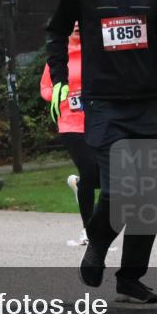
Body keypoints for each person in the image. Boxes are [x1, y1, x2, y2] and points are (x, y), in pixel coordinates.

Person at [46, 0, 157, 304]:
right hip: (105, 103)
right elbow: (56, 31)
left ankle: (130, 277)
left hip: (149, 101)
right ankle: (98, 243)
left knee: (153, 200)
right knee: (121, 190)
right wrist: (59, 79)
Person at [41, 22, 99, 246]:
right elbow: (45, 88)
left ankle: (79, 184)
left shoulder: (95, 53)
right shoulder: (58, 57)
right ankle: (89, 230)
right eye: (72, 22)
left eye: (79, 22)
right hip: (70, 124)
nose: (76, 26)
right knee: (89, 169)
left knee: (105, 177)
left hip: (96, 122)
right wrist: (61, 92)